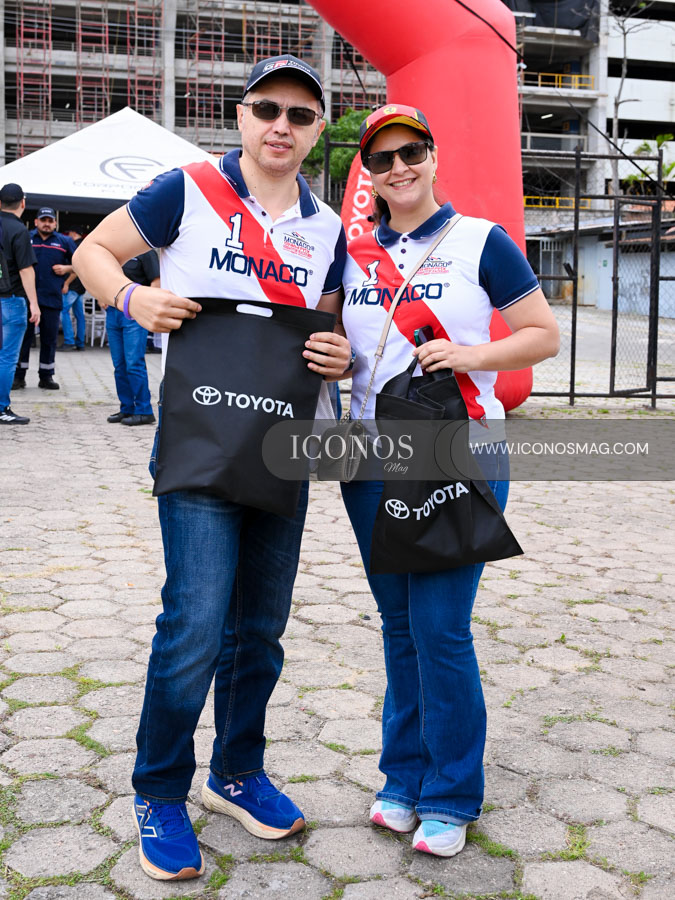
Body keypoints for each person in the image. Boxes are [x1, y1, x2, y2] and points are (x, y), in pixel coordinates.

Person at [73, 54, 350, 882]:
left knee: (259, 631)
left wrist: (335, 354)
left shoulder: (327, 228)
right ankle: (159, 788)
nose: (281, 125)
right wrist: (130, 298)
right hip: (197, 446)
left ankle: (236, 771)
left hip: (282, 449)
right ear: (240, 115)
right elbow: (94, 251)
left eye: (300, 116)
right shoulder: (185, 188)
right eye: (267, 108)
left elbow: (326, 337)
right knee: (193, 626)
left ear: (314, 132)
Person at [339, 104, 559, 858]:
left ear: (433, 158)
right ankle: (401, 779)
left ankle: (451, 793)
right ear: (365, 174)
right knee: (398, 629)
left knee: (440, 630)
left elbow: (541, 336)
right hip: (369, 458)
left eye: (411, 153)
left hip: (458, 451)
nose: (398, 167)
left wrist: (468, 357)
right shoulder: (353, 252)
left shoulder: (480, 242)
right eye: (381, 158)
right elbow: (337, 339)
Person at [15, 207, 76, 390]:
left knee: (49, 339)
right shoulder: (26, 238)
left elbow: (80, 263)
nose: (47, 224)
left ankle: (46, 376)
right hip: (25, 298)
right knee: (22, 339)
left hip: (51, 298)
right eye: (44, 220)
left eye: (50, 221)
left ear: (55, 224)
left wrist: (67, 271)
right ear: (36, 222)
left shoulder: (64, 241)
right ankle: (19, 377)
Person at [0, 183, 40, 424]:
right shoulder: (19, 230)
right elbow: (26, 270)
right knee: (6, 357)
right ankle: (2, 408)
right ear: (23, 203)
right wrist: (34, 304)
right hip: (12, 301)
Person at [106, 249, 159, 426]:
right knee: (119, 365)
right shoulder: (114, 252)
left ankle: (144, 411)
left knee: (133, 363)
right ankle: (126, 408)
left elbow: (156, 282)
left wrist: (148, 308)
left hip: (134, 312)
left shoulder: (146, 252)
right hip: (113, 311)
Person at [58, 225, 87, 351]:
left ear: (74, 233)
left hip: (73, 285)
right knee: (79, 315)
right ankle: (80, 343)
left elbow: (75, 268)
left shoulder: (74, 246)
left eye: (69, 233)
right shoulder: (86, 245)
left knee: (63, 311)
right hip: (82, 285)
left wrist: (66, 283)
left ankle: (69, 341)